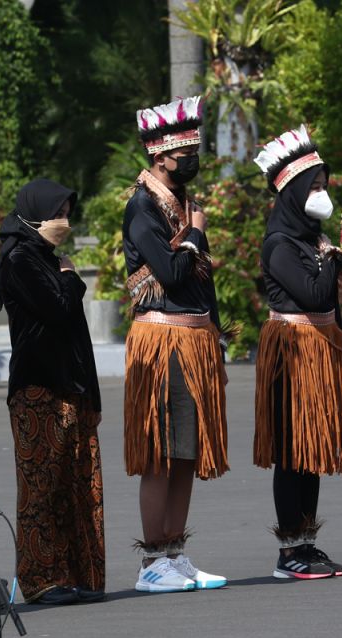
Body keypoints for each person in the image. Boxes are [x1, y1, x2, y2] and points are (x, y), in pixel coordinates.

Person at [253, 126, 342, 580]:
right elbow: (315, 295)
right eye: (317, 187)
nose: (323, 195)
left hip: (320, 349)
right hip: (293, 349)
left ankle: (308, 542)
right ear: (294, 192)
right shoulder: (280, 245)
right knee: (292, 451)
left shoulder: (311, 241)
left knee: (313, 451)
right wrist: (331, 262)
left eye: (326, 186)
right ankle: (289, 552)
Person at [123, 96, 229, 593]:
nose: (192, 158)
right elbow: (168, 274)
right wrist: (195, 236)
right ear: (159, 155)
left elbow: (198, 284)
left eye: (195, 148)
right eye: (184, 151)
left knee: (185, 451)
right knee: (161, 452)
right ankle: (151, 564)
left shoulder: (181, 204)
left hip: (193, 338)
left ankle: (175, 552)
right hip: (161, 340)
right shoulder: (142, 207)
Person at [0, 178, 105, 605]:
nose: (65, 222)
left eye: (66, 213)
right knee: (42, 487)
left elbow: (76, 333)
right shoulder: (19, 259)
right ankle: (41, 580)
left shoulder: (46, 257)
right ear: (33, 214)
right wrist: (74, 281)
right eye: (58, 213)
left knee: (74, 486)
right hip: (38, 387)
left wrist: (90, 395)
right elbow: (58, 309)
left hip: (69, 384)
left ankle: (77, 574)